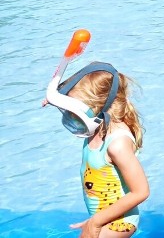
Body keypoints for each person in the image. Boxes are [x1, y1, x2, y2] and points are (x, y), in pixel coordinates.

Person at [50, 63, 149, 236]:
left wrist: (95, 222)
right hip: (102, 217)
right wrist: (53, 98)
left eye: (74, 110)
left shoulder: (118, 144)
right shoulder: (97, 125)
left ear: (95, 106)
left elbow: (141, 191)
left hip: (120, 221)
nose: (70, 115)